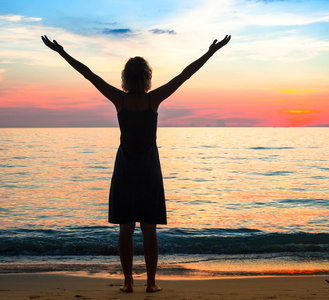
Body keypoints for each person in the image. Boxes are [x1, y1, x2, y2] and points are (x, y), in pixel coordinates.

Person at [42, 34, 231, 293]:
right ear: (147, 78)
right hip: (149, 171)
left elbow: (88, 74)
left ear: (126, 78)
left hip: (125, 171)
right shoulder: (153, 100)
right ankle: (151, 283)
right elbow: (185, 75)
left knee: (126, 228)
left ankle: (128, 282)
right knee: (149, 228)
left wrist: (60, 51)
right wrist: (211, 51)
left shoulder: (120, 100)